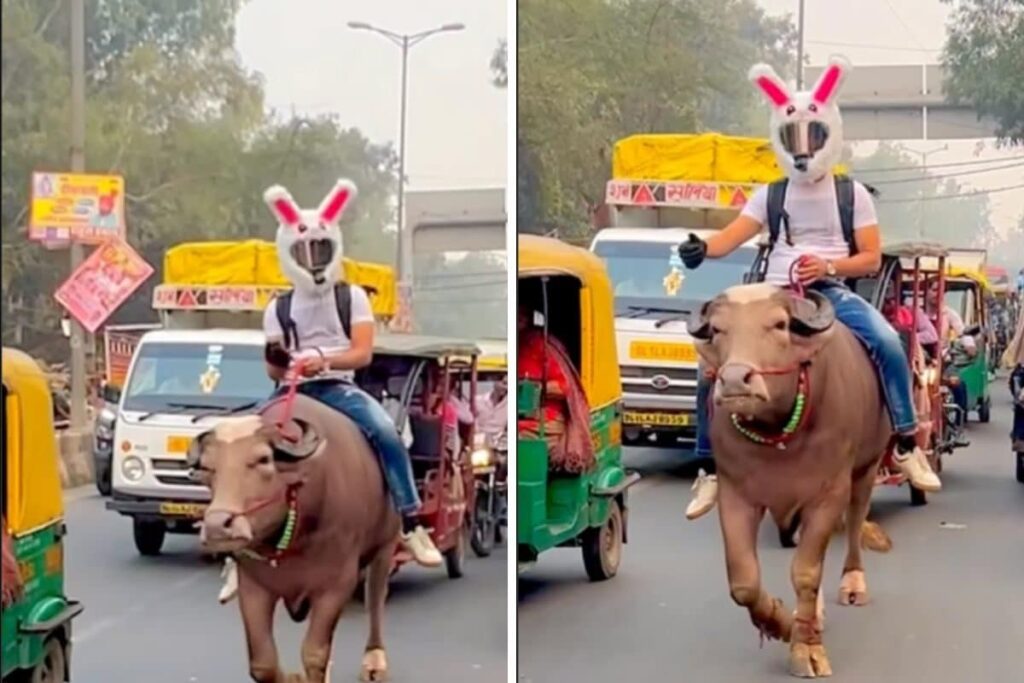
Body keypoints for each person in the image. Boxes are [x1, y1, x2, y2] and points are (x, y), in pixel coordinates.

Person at [679, 57, 940, 521]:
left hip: (827, 294)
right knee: (709, 362)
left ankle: (903, 442)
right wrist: (702, 247)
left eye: (812, 137)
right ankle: (710, 467)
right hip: (769, 295)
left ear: (829, 135)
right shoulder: (770, 194)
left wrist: (828, 264)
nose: (803, 148)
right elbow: (731, 236)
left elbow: (871, 257)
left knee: (884, 341)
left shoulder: (852, 195)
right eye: (793, 139)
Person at [219, 180, 441, 604]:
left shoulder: (351, 298)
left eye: (320, 250)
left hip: (338, 389)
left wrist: (323, 362)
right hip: (289, 392)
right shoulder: (277, 309)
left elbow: (361, 353)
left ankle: (411, 524)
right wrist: (278, 358)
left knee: (386, 433)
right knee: (234, 443)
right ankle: (233, 547)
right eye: (304, 252)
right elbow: (272, 368)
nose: (313, 259)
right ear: (289, 254)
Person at [517, 305, 594, 473]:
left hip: (545, 419)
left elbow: (564, 387)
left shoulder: (542, 345)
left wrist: (534, 389)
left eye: (520, 314)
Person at [476, 374, 509, 449]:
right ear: (495, 383)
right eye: (504, 383)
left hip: (500, 446)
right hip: (479, 444)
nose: (506, 387)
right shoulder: (478, 400)